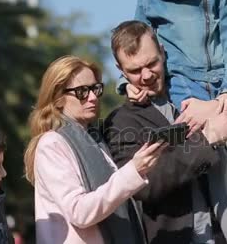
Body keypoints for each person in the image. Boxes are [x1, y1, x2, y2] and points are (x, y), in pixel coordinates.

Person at [106, 21, 227, 244]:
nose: (146, 75)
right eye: (135, 70)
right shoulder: (120, 122)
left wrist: (214, 107)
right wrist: (206, 139)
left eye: (152, 63)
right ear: (121, 71)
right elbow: (147, 184)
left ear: (163, 53)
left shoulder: (198, 91)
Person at [23, 55, 167, 244]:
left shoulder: (95, 137)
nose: (92, 97)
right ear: (58, 98)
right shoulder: (52, 144)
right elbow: (79, 212)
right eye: (82, 92)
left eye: (95, 89)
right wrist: (133, 171)